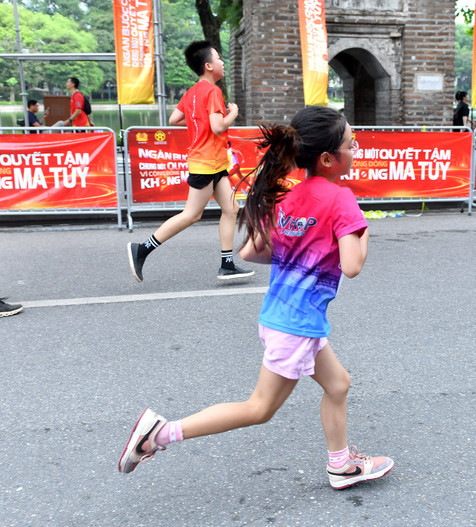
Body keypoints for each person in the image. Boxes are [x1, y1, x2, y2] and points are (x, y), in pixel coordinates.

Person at [118, 106, 394, 491]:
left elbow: (251, 252)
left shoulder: (291, 196)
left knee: (338, 384)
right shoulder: (341, 200)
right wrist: (362, 231)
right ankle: (159, 434)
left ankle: (341, 465)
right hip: (295, 325)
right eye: (352, 143)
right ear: (329, 158)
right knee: (259, 409)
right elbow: (352, 265)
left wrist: (300, 250)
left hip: (284, 319)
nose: (357, 147)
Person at [126, 41, 253, 282]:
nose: (223, 62)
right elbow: (217, 127)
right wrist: (233, 113)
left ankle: (227, 264)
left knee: (231, 208)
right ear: (208, 66)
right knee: (192, 215)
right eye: (219, 58)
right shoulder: (213, 91)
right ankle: (142, 249)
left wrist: (201, 122)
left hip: (215, 164)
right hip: (205, 163)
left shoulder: (193, 92)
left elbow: (175, 119)